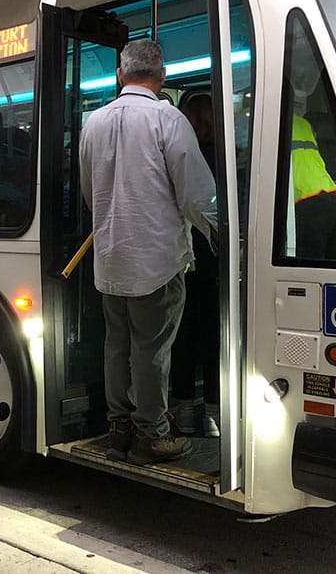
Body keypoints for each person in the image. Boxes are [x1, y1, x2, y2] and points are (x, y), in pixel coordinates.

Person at [79, 40, 217, 466]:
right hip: (157, 261)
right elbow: (196, 193)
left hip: (110, 259)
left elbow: (90, 193)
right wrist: (222, 233)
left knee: (116, 345)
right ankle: (152, 435)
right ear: (161, 77)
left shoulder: (94, 123)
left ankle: (118, 428)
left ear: (120, 75)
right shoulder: (167, 119)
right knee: (151, 350)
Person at [171, 93, 221, 437]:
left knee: (183, 335)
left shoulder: (176, 156)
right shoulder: (227, 157)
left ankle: (184, 411)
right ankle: (215, 416)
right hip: (216, 256)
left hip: (182, 257)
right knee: (215, 337)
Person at [291, 115, 336, 259]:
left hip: (306, 199)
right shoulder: (303, 123)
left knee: (307, 263)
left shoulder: (266, 118)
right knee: (327, 263)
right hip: (330, 195)